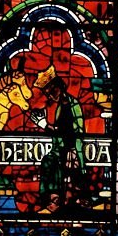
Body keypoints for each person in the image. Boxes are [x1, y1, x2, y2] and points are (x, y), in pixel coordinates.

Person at [31, 65, 89, 214]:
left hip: (72, 148)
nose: (49, 95)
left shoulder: (72, 104)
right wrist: (44, 124)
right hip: (62, 148)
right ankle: (53, 199)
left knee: (52, 161)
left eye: (50, 90)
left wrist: (72, 150)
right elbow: (60, 131)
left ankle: (60, 200)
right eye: (46, 92)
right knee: (48, 160)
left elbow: (76, 129)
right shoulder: (61, 106)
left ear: (57, 86)